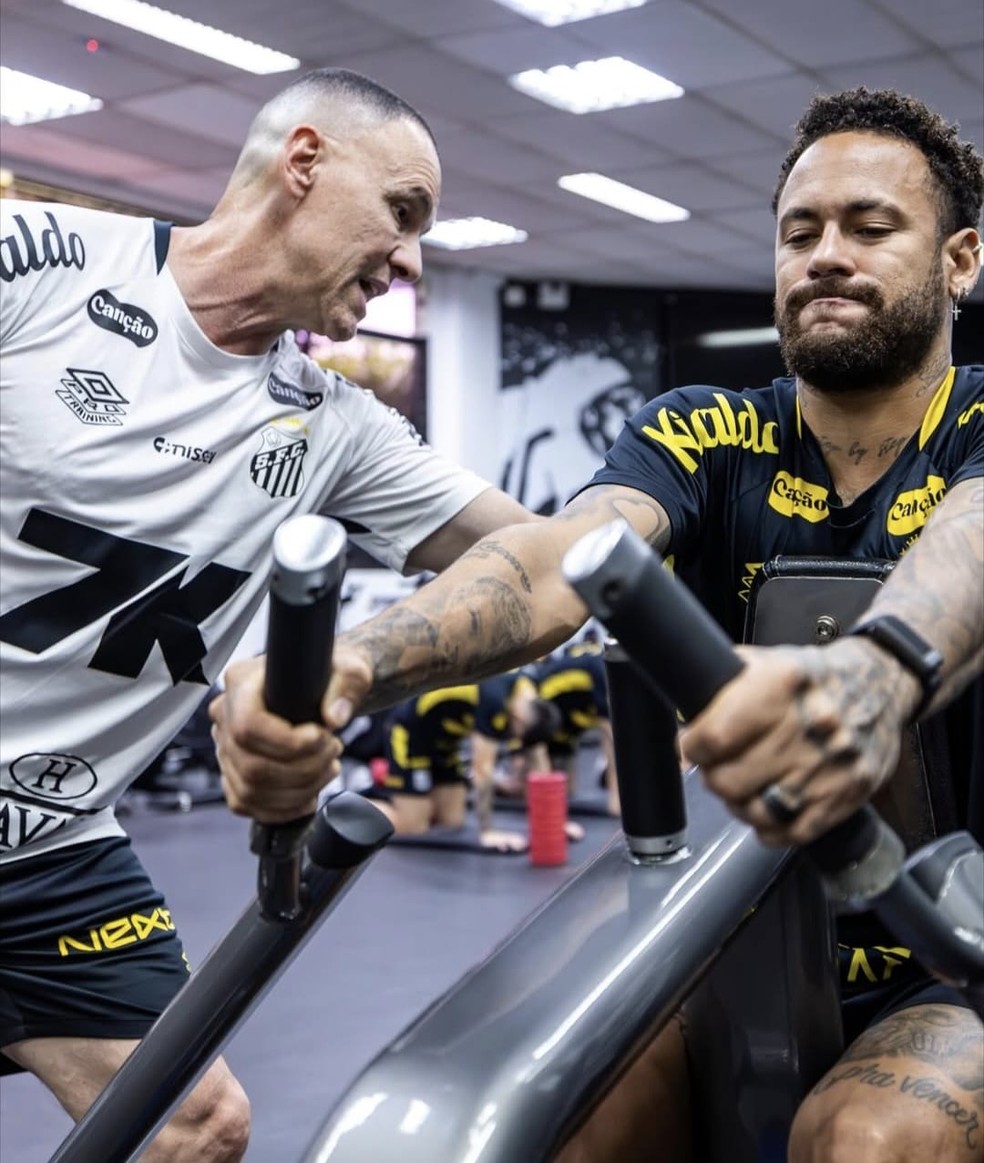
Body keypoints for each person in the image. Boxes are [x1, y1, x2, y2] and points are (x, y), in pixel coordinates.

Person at [214, 87, 983, 1162]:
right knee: (501, 1129)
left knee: (863, 1138)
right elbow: (548, 565)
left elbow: (972, 542)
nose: (825, 255)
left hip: (957, 934)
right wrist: (346, 670)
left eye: (870, 226)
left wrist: (880, 667)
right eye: (799, 232)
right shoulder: (707, 431)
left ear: (960, 261)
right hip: (736, 919)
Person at [0, 68, 537, 1160]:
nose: (411, 260)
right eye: (403, 212)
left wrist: (341, 666)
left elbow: (532, 556)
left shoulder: (332, 426)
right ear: (303, 163)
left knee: (196, 1124)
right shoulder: (38, 267)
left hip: (47, 843)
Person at [368, 672, 562, 851]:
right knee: (412, 826)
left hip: (446, 743)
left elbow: (537, 754)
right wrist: (488, 831)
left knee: (452, 822)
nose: (511, 738)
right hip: (411, 735)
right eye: (514, 734)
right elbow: (482, 770)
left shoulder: (527, 690)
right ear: (518, 718)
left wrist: (554, 821)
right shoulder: (494, 701)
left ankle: (417, 804)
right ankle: (347, 809)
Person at [528, 639, 620, 816]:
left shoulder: (609, 680)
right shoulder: (603, 674)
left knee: (569, 790)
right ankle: (514, 783)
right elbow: (611, 738)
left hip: (572, 713)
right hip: (545, 707)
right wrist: (616, 798)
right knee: (538, 776)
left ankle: (517, 781)